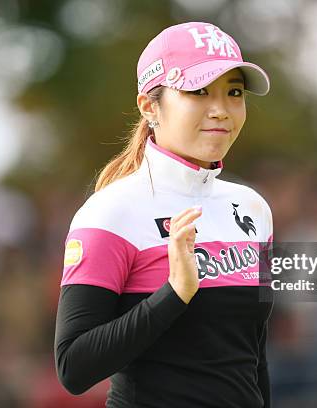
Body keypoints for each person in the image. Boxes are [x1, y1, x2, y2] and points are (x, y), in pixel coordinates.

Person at [54, 21, 273, 407]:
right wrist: (175, 293)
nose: (221, 110)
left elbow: (253, 359)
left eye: (233, 92)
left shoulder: (254, 208)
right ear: (149, 106)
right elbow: (74, 366)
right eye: (199, 92)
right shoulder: (111, 211)